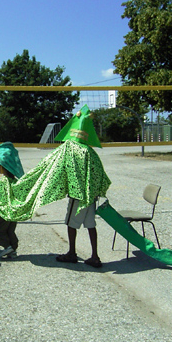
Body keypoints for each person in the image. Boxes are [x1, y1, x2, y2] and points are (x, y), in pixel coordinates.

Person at [54, 105, 110, 268]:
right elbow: (100, 174)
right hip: (91, 196)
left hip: (78, 196)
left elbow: (60, 168)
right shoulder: (91, 153)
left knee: (71, 224)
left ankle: (71, 253)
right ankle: (95, 256)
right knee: (91, 225)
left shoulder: (70, 149)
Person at [0, 142, 25, 259]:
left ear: (2, 167)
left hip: (4, 212)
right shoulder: (15, 181)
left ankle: (7, 247)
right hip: (13, 212)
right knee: (10, 231)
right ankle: (13, 250)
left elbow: (3, 197)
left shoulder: (3, 181)